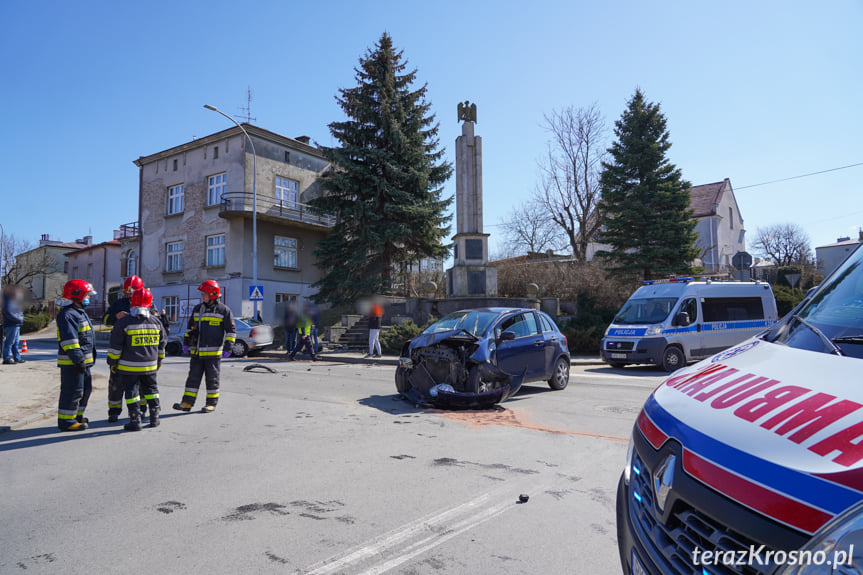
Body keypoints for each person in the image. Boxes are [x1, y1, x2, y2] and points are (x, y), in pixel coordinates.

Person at [106, 288, 166, 430]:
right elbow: (162, 345)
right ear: (149, 304)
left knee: (132, 393)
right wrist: (159, 361)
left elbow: (115, 347)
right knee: (151, 390)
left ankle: (135, 420)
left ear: (132, 303)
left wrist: (112, 363)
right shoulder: (156, 322)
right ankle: (154, 418)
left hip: (129, 367)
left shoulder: (123, 322)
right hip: (150, 366)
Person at [173, 280, 236, 413]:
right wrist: (186, 343)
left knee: (212, 379)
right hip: (197, 352)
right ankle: (187, 403)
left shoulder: (224, 310)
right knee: (192, 378)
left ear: (213, 294)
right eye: (202, 294)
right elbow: (190, 328)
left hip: (213, 354)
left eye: (204, 294)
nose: (202, 296)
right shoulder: (197, 309)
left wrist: (228, 348)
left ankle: (211, 404)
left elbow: (231, 331)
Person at [104, 275, 151, 421]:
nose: (130, 296)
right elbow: (105, 320)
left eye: (132, 293)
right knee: (116, 384)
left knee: (141, 385)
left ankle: (141, 410)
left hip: (139, 351)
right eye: (127, 294)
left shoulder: (148, 304)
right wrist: (115, 317)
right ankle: (114, 411)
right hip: (120, 350)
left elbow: (155, 323)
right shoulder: (119, 304)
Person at [56, 280, 97, 431]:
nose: (89, 298)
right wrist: (78, 360)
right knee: (72, 392)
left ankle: (77, 417)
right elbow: (70, 341)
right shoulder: (67, 314)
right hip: (73, 363)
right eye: (87, 295)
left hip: (81, 362)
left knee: (84, 391)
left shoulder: (79, 312)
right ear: (77, 295)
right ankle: (67, 422)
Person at [2, 285, 25, 365]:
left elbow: (19, 312)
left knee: (15, 342)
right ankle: (6, 358)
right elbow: (8, 313)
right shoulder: (8, 302)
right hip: (11, 324)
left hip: (16, 324)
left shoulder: (13, 302)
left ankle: (17, 358)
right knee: (9, 342)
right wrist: (19, 319)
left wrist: (21, 317)